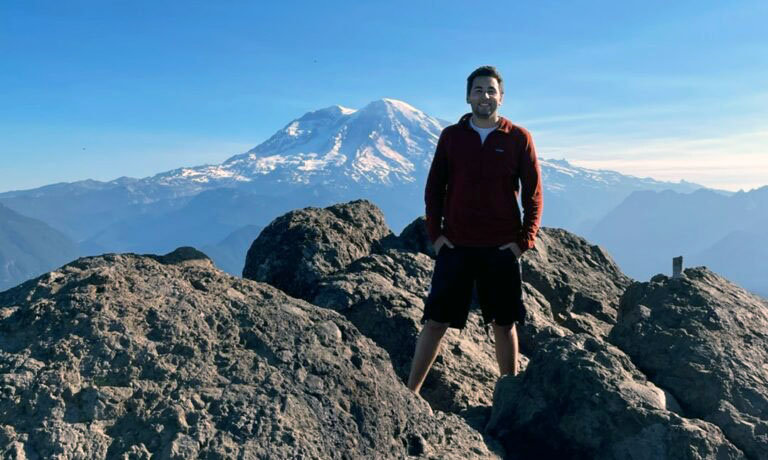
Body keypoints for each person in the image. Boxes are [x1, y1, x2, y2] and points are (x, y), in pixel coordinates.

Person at [407, 65, 543, 394]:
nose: (485, 96)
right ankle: (410, 393)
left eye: (491, 90)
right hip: (456, 245)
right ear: (468, 96)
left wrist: (523, 241)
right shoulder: (452, 138)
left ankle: (507, 396)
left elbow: (534, 193)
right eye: (479, 90)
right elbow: (434, 188)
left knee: (504, 322)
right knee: (436, 321)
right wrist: (436, 236)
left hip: (501, 248)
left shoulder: (518, 138)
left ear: (502, 96)